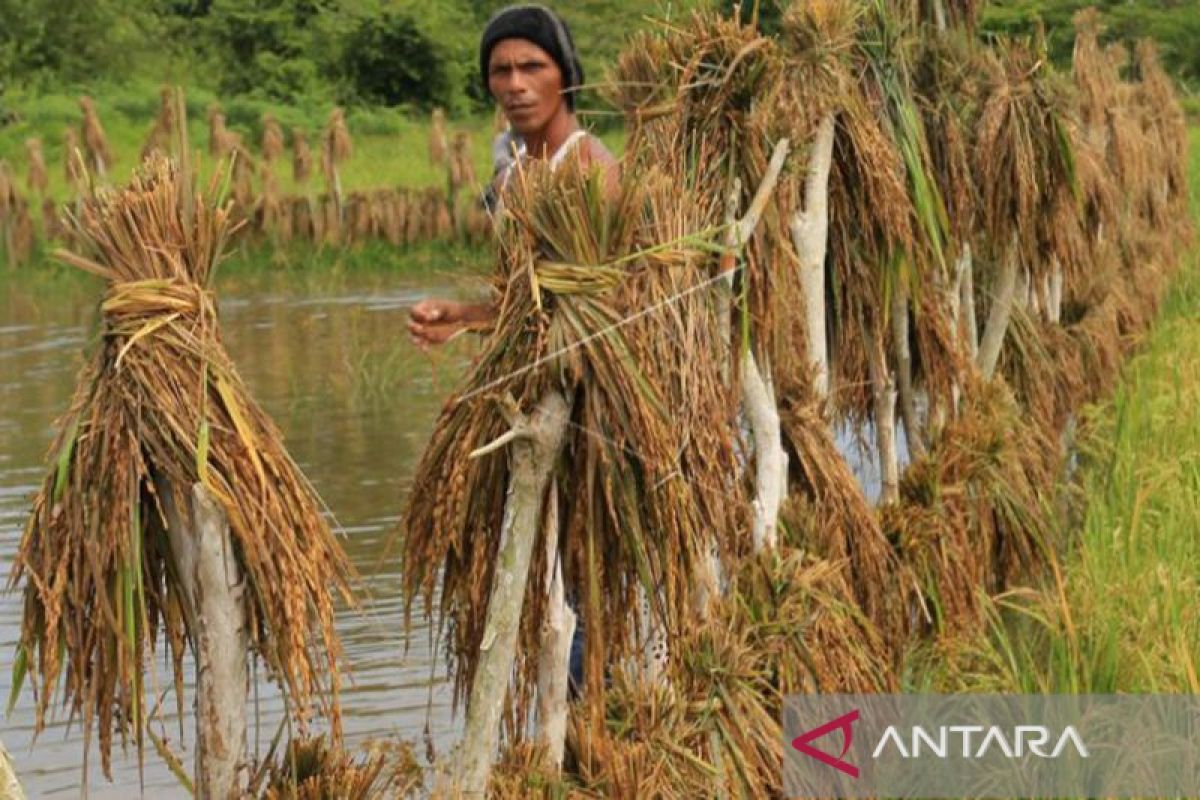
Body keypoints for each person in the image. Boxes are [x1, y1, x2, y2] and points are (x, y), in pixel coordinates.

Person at [407, 4, 619, 348]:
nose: (515, 85)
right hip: (526, 363)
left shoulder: (590, 171)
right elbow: (524, 304)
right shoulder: (510, 176)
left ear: (565, 75)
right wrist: (463, 318)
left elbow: (594, 309)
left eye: (532, 67)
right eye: (501, 71)